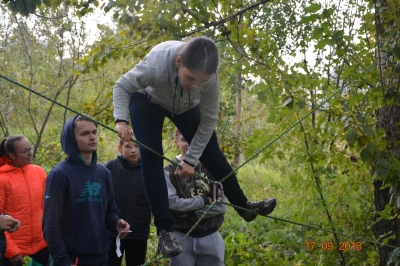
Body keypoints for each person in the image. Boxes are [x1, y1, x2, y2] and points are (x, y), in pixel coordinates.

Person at [113, 36, 276, 257]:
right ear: (178, 62)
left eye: (202, 81)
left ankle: (244, 207)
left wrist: (191, 158)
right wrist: (121, 120)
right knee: (152, 159)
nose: (195, 85)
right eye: (191, 78)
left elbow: (209, 121)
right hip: (148, 100)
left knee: (213, 155)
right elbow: (122, 86)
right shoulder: (157, 64)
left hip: (185, 107)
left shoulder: (208, 80)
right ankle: (165, 233)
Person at [42, 115, 130, 266]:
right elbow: (50, 224)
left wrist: (116, 223)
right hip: (72, 259)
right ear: (71, 139)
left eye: (94, 132)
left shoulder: (103, 173)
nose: (92, 137)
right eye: (84, 134)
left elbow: (109, 211)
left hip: (101, 256)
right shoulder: (59, 175)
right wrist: (62, 260)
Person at [164, 128, 227, 266]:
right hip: (181, 235)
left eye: (193, 139)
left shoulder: (212, 168)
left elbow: (222, 204)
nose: (189, 144)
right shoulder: (168, 172)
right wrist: (205, 200)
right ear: (176, 143)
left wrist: (190, 212)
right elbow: (171, 206)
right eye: (184, 140)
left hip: (211, 234)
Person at [0, 135, 49, 266]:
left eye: (30, 148)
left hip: (40, 240)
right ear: (11, 155)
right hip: (12, 244)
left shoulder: (39, 172)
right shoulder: (2, 178)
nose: (30, 153)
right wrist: (11, 251)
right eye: (24, 151)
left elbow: (48, 207)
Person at [104, 133, 151, 266]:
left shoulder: (148, 171)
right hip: (112, 232)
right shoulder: (109, 168)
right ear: (119, 148)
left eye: (137, 146)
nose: (133, 150)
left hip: (138, 232)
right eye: (128, 146)